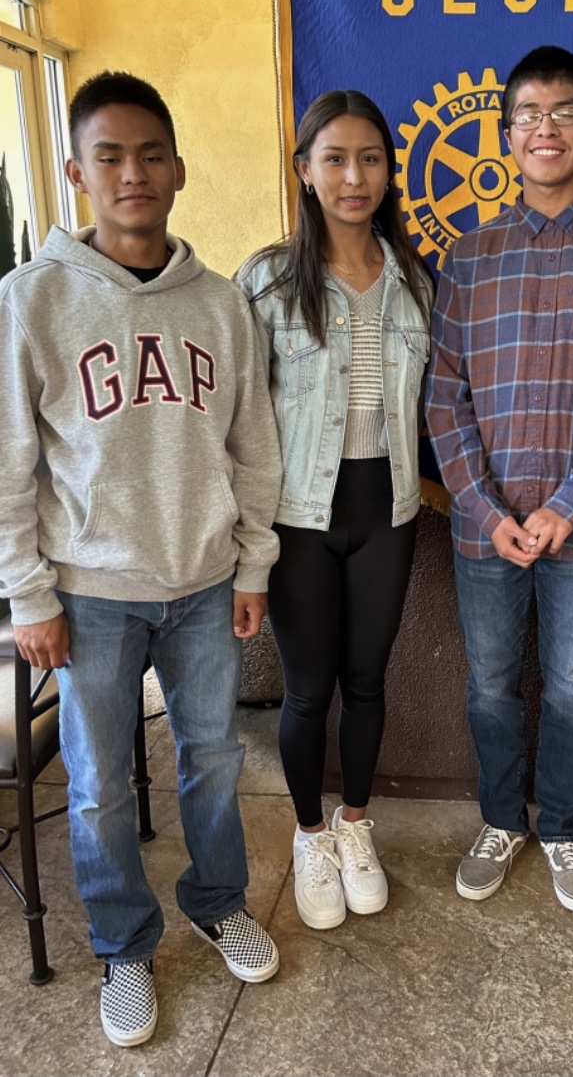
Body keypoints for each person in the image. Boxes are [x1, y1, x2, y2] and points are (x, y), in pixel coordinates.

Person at [0, 73, 283, 1046]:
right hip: (90, 594)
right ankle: (124, 942)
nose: (132, 172)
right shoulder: (31, 301)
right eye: (109, 156)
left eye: (149, 153)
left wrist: (252, 566)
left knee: (210, 760)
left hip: (205, 583)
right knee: (96, 784)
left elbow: (255, 442)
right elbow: (8, 462)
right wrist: (29, 593)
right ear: (77, 171)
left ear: (179, 170)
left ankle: (216, 896)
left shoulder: (220, 304)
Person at [425, 45, 573, 911]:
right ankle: (502, 816)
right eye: (528, 113)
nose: (545, 127)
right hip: (482, 525)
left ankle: (561, 825)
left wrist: (567, 507)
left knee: (571, 684)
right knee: (491, 684)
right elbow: (443, 392)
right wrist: (486, 509)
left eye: (563, 112)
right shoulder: (468, 255)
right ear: (504, 136)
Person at [238, 90, 433, 931]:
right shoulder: (267, 280)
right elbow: (241, 420)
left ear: (391, 172)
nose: (355, 177)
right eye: (335, 159)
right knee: (309, 689)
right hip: (297, 516)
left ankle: (357, 825)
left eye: (371, 160)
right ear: (305, 171)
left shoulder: (416, 279)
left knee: (367, 680)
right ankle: (310, 835)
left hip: (386, 506)